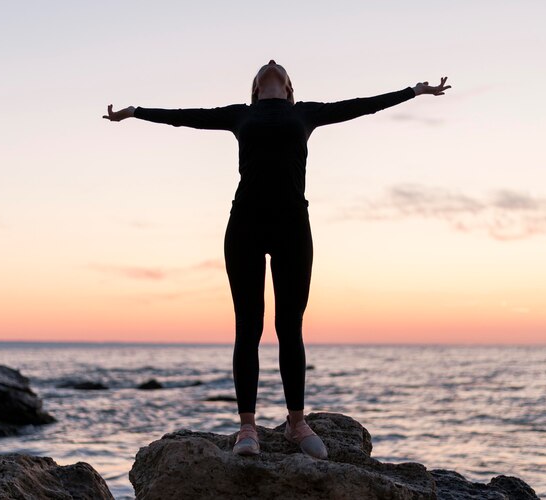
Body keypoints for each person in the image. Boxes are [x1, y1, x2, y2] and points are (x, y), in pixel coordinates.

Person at [103, 60, 451, 458]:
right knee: (247, 327)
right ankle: (247, 430)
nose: (271, 64)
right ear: (256, 89)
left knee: (290, 326)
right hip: (245, 225)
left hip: (292, 226)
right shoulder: (240, 116)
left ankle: (296, 424)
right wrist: (135, 112)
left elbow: (361, 105)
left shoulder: (306, 113)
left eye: (280, 70)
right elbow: (186, 118)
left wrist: (413, 91)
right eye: (264, 70)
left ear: (289, 89)